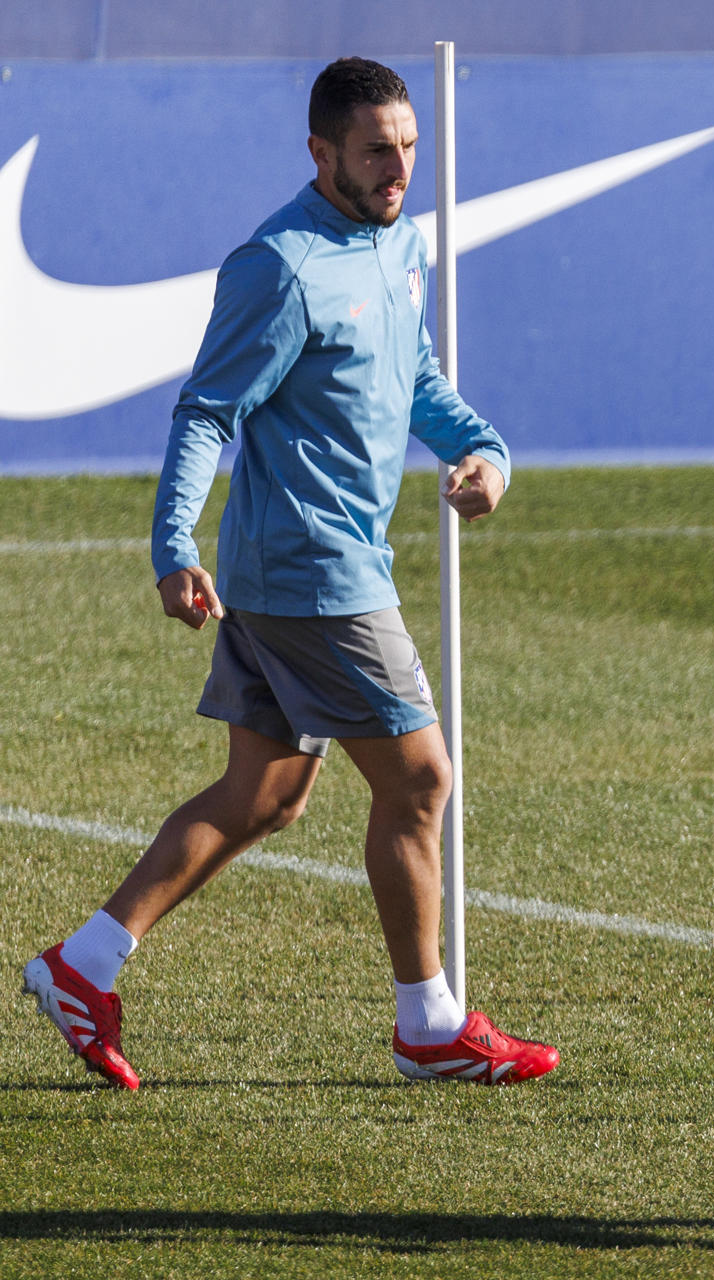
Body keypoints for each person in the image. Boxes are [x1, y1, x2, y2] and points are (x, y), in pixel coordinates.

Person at [21, 57, 557, 1090]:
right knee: (421, 779)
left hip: (298, 572)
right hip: (316, 574)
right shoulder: (278, 265)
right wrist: (171, 545)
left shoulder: (401, 242)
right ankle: (428, 1023)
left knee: (263, 793)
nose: (398, 167)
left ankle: (83, 965)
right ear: (321, 153)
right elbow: (206, 411)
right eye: (376, 151)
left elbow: (417, 379)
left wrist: (486, 452)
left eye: (408, 147)